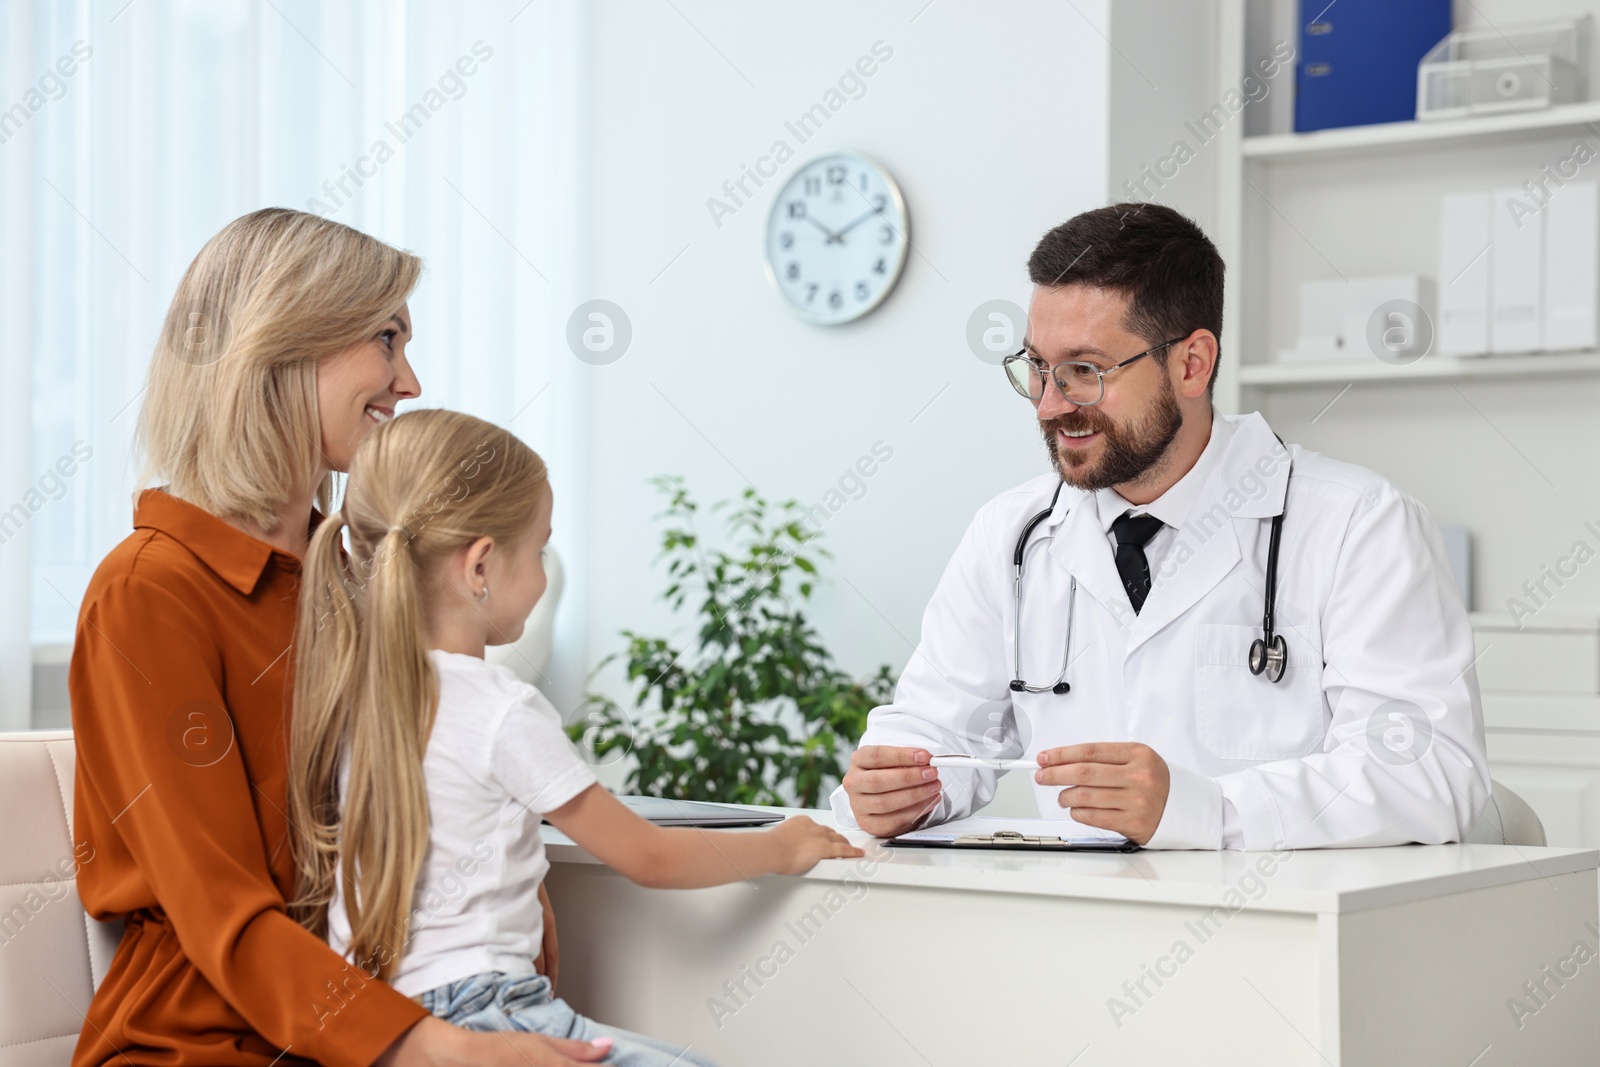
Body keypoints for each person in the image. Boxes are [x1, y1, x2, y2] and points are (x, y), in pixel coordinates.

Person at [70, 208, 598, 1067]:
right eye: (387, 340)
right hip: (207, 1049)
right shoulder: (148, 592)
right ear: (281, 344)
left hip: (405, 1023)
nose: (411, 380)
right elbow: (223, 913)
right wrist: (439, 1048)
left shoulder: (364, 581)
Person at [833, 202, 1491, 850]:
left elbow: (1431, 773)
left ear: (1192, 364)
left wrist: (1208, 811)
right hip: (1074, 927)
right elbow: (938, 729)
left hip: (1285, 935)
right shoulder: (1011, 533)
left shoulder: (1357, 524)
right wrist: (904, 785)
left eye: (1085, 371)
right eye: (1037, 368)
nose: (1051, 404)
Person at [289, 408, 861, 1064]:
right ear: (479, 566)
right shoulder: (502, 706)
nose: (541, 575)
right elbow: (649, 856)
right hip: (491, 1013)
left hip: (384, 1029)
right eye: (538, 549)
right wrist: (780, 846)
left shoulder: (345, 695)